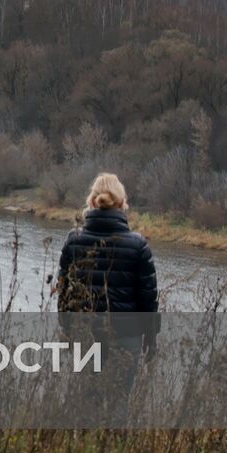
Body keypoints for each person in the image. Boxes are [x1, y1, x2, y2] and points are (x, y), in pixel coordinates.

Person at [56, 173, 159, 421]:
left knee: (87, 401)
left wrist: (67, 329)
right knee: (118, 401)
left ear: (91, 202)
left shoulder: (74, 240)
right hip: (127, 336)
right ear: (123, 204)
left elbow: (63, 293)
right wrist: (151, 338)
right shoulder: (138, 245)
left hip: (86, 334)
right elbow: (149, 298)